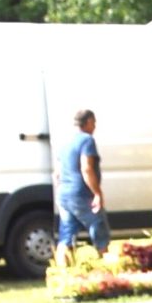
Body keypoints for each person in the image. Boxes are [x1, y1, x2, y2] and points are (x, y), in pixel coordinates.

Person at [55, 110, 108, 259]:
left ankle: (62, 273)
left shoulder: (65, 142)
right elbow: (86, 168)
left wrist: (59, 195)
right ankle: (106, 268)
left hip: (64, 194)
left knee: (66, 235)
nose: (95, 126)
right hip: (81, 193)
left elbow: (57, 174)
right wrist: (97, 193)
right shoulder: (87, 140)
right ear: (89, 122)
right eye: (94, 123)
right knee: (99, 228)